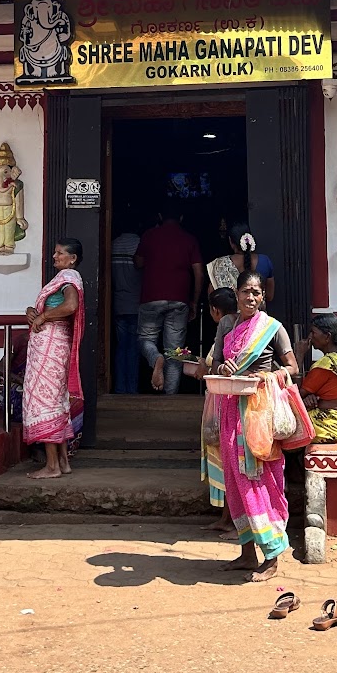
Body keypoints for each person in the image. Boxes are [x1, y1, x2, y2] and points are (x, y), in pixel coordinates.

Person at [207, 269, 298, 581]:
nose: (250, 297)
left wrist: (264, 377)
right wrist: (223, 366)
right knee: (235, 479)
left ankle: (271, 556)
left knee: (258, 478)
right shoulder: (227, 326)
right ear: (236, 293)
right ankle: (247, 553)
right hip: (232, 410)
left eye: (256, 293)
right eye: (245, 291)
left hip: (259, 413)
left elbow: (292, 368)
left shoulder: (273, 329)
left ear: (263, 296)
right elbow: (216, 362)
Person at [22, 238, 86, 479]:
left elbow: (70, 305)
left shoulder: (69, 277)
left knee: (44, 401)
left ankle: (51, 467)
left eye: (60, 253)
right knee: (56, 401)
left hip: (51, 347)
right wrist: (34, 313)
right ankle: (62, 461)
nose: (55, 256)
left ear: (73, 259)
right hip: (51, 345)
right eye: (55, 252)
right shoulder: (63, 278)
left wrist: (43, 317)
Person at [185, 286, 238, 531]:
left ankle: (230, 519)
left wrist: (201, 368)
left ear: (215, 311)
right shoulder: (239, 329)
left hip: (221, 404)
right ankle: (227, 518)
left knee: (225, 458)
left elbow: (213, 368)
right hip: (223, 402)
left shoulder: (226, 331)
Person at [136, 211, 202, 395]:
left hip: (151, 298)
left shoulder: (149, 235)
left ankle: (155, 357)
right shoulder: (189, 239)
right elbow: (199, 273)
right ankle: (170, 397)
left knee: (145, 340)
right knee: (175, 352)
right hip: (179, 300)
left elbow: (138, 262)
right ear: (181, 217)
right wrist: (194, 301)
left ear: (159, 216)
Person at [300, 312, 337, 443]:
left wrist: (298, 356)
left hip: (325, 425)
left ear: (327, 336)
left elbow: (295, 397)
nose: (310, 337)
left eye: (313, 332)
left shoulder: (325, 365)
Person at [110, 219, 142, 394]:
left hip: (118, 303)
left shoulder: (113, 245)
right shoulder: (140, 245)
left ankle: (120, 388)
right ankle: (132, 389)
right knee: (134, 349)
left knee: (121, 347)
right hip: (137, 303)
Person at [206, 223, 275, 304]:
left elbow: (212, 297)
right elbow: (270, 296)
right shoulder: (265, 261)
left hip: (229, 316)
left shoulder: (219, 264)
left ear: (230, 241)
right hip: (258, 316)